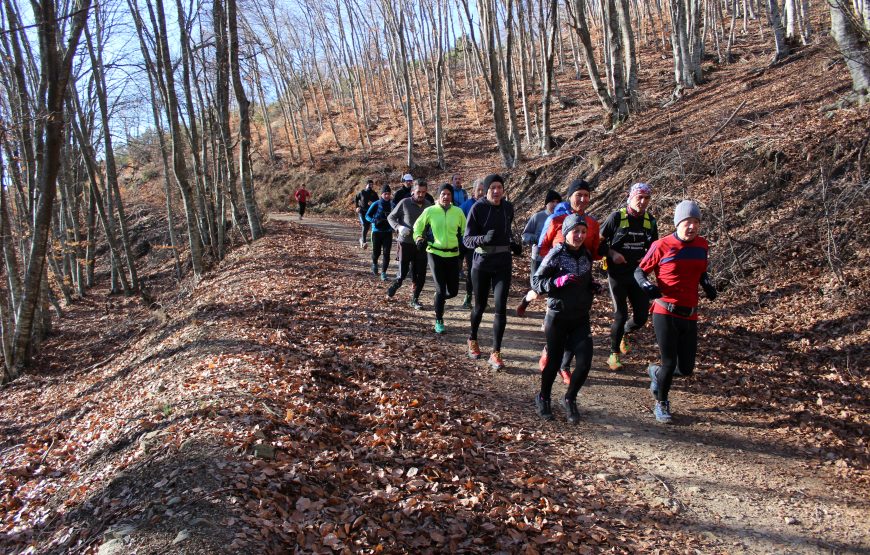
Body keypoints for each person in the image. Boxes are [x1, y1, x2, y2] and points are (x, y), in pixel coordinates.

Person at [635, 200, 717, 423]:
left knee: (687, 368)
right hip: (665, 310)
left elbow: (700, 270)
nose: (691, 227)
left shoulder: (702, 245)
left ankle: (656, 373)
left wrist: (707, 284)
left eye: (696, 223)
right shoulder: (662, 245)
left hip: (690, 312)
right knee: (669, 363)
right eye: (687, 222)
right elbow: (639, 272)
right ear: (677, 223)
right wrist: (647, 287)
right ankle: (661, 402)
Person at [532, 214, 600, 423]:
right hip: (558, 316)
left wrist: (593, 286)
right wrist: (557, 281)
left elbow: (585, 280)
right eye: (575, 231)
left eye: (583, 232)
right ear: (565, 232)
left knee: (585, 362)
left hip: (580, 316)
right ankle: (543, 397)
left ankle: (569, 399)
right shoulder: (557, 253)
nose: (579, 235)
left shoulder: (586, 255)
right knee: (553, 362)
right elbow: (536, 282)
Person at [535, 179, 602, 383]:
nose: (582, 199)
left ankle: (564, 366)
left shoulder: (592, 223)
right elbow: (542, 247)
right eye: (578, 194)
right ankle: (551, 351)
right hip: (557, 286)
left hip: (580, 282)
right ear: (570, 196)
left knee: (577, 324)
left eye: (586, 195)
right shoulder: (556, 220)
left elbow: (595, 251)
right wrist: (556, 265)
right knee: (560, 327)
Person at [463, 174, 520, 371]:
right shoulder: (478, 208)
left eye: (499, 187)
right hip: (482, 263)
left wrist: (513, 244)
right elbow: (467, 239)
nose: (496, 191)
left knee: (500, 308)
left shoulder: (508, 207)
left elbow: (507, 231)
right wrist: (482, 239)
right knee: (479, 306)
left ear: (503, 190)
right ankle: (472, 338)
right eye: (492, 188)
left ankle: (496, 352)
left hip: (503, 263)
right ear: (486, 190)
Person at [599, 183, 658, 370]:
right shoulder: (616, 217)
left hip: (639, 274)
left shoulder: (650, 221)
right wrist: (612, 254)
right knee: (620, 314)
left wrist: (648, 258)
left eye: (646, 198)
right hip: (617, 274)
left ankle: (625, 332)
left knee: (641, 317)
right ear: (630, 197)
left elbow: (656, 249)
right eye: (639, 197)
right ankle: (613, 355)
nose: (642, 201)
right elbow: (598, 242)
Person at [413, 184, 466, 334]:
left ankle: (438, 298)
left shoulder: (458, 212)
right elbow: (417, 226)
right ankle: (439, 320)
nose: (446, 197)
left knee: (454, 291)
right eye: (443, 194)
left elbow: (465, 230)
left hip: (453, 255)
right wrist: (418, 238)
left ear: (452, 197)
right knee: (441, 289)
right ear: (438, 196)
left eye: (449, 194)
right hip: (434, 253)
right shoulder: (430, 211)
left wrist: (465, 244)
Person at [515, 189, 563, 317]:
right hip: (538, 258)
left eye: (558, 202)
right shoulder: (538, 217)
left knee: (554, 289)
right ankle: (525, 301)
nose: (555, 204)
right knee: (537, 290)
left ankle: (548, 319)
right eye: (552, 201)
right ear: (546, 203)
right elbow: (525, 235)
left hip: (555, 259)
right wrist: (537, 239)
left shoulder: (562, 218)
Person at [387, 179, 432, 309]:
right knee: (403, 272)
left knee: (421, 274)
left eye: (424, 192)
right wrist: (398, 227)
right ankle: (396, 283)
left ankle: (415, 299)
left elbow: (432, 223)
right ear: (413, 191)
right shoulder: (404, 203)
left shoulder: (429, 206)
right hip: (405, 243)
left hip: (421, 244)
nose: (421, 195)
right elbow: (391, 217)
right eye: (418, 192)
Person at [459, 179, 484, 308]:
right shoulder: (466, 205)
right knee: (471, 271)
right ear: (473, 191)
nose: (480, 192)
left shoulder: (489, 205)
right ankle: (468, 297)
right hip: (469, 245)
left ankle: (481, 299)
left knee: (484, 272)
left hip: (484, 245)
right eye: (478, 190)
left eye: (482, 190)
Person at [365, 185, 394, 281]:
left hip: (388, 232)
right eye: (385, 194)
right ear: (381, 194)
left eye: (388, 194)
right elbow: (367, 216)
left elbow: (396, 216)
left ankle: (384, 273)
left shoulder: (392, 204)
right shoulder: (376, 204)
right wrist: (374, 220)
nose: (387, 196)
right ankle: (374, 263)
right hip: (376, 232)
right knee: (376, 252)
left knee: (386, 253)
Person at [354, 179, 379, 249]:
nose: (370, 186)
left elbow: (378, 202)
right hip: (362, 211)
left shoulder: (374, 193)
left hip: (370, 212)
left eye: (372, 185)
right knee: (364, 225)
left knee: (367, 226)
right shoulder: (362, 192)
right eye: (369, 184)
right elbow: (356, 199)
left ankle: (361, 239)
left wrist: (373, 203)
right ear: (366, 185)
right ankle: (364, 242)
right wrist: (357, 207)